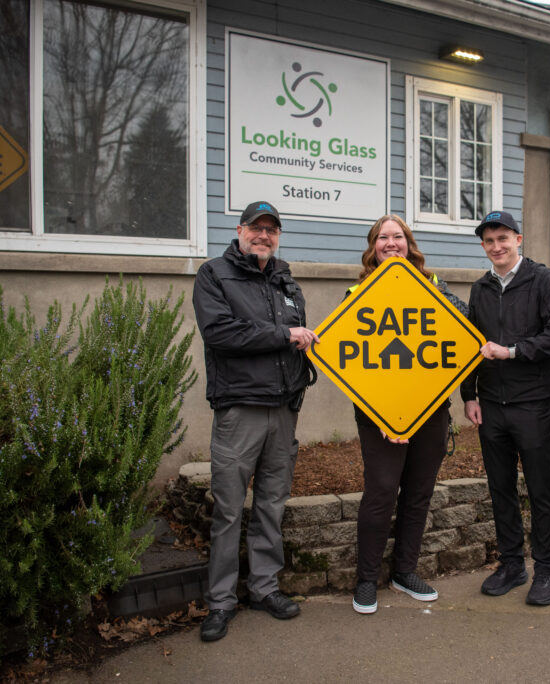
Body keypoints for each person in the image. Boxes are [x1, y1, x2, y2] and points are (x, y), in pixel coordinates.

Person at [192, 201, 319, 642]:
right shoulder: (214, 275)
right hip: (240, 409)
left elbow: (296, 335)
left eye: (272, 230)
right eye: (257, 228)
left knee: (270, 503)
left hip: (283, 409)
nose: (264, 236)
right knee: (228, 510)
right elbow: (220, 334)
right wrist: (285, 335)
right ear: (241, 230)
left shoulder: (285, 278)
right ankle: (222, 602)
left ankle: (265, 587)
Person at [349, 214, 467, 615]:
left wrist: (422, 291)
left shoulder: (435, 286)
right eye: (383, 237)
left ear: (409, 243)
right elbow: (352, 365)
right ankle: (366, 580)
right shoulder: (358, 292)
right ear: (373, 247)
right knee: (381, 493)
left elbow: (464, 330)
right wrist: (384, 416)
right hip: (378, 417)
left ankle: (404, 571)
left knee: (418, 493)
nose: (391, 243)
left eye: (398, 236)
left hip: (431, 411)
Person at [460, 210, 550, 606]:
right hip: (491, 405)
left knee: (540, 489)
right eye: (489, 241)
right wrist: (469, 395)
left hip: (533, 404)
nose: (496, 247)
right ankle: (511, 563)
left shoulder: (542, 279)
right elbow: (470, 345)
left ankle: (545, 571)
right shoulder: (480, 289)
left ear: (518, 240)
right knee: (500, 488)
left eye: (503, 238)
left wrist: (513, 352)